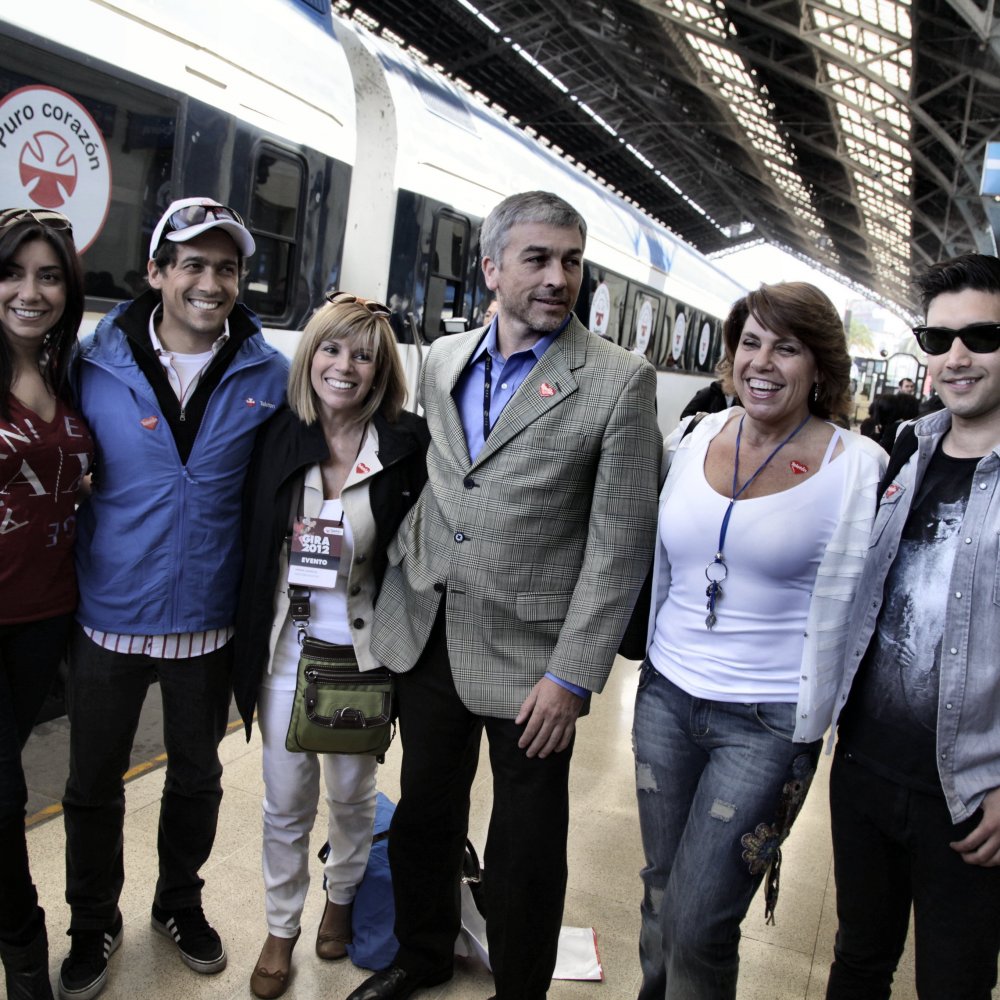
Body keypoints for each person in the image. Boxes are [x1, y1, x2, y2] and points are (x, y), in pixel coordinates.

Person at [346, 191, 661, 1000]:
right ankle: (420, 956)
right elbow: (446, 488)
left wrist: (573, 676)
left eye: (572, 260)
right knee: (424, 817)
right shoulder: (444, 359)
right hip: (429, 633)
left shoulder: (619, 383)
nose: (560, 278)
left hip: (534, 663)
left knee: (525, 845)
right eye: (538, 259)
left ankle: (520, 990)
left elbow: (618, 546)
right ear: (490, 269)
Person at [59, 197, 288, 1000]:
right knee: (92, 783)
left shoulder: (269, 372)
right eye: (191, 263)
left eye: (226, 267)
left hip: (208, 618)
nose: (210, 281)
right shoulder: (93, 362)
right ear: (156, 272)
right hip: (108, 612)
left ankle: (177, 904)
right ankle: (93, 921)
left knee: (196, 776)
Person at [633, 281, 887, 1000]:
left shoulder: (855, 469)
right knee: (659, 893)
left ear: (819, 366)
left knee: (699, 920)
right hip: (665, 699)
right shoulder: (693, 438)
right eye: (751, 342)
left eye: (788, 346)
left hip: (770, 722)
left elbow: (872, 607)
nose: (764, 361)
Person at [232, 293, 429, 999]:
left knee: (351, 796)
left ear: (383, 370)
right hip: (286, 648)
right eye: (332, 349)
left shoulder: (406, 447)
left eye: (364, 354)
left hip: (359, 655)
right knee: (285, 799)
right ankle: (280, 928)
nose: (345, 366)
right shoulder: (279, 437)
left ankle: (341, 900)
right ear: (310, 356)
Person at [826, 253, 1000, 999]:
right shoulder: (908, 450)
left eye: (982, 337)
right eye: (938, 340)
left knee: (952, 983)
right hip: (864, 767)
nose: (956, 356)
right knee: (857, 962)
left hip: (967, 795)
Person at [0, 208, 93, 1000]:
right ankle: (26, 955)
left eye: (49, 275)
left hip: (44, 617)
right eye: (14, 272)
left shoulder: (68, 375)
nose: (30, 291)